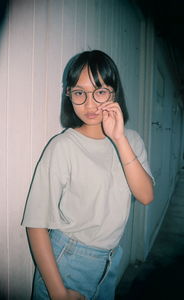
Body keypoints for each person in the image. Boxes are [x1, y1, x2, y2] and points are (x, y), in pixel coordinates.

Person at [21, 50, 154, 300]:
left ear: (114, 93)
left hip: (111, 260)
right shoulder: (63, 146)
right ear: (69, 95)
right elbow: (36, 223)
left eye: (100, 91)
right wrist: (58, 292)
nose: (90, 104)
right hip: (67, 262)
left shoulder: (131, 140)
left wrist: (118, 138)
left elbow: (146, 196)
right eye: (80, 92)